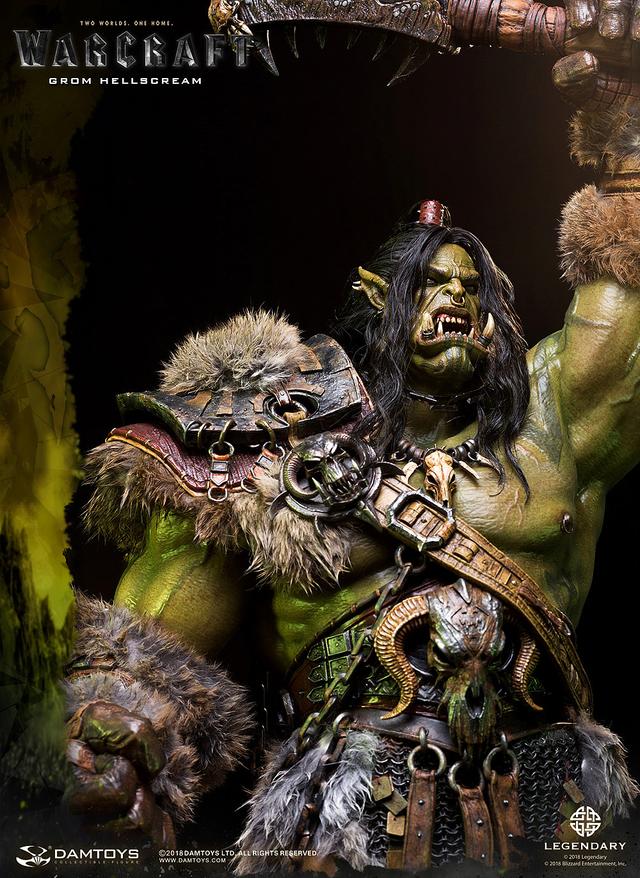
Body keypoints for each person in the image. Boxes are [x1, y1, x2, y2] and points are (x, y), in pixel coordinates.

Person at [64, 18, 640, 872]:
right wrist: (112, 734)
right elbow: (147, 651)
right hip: (347, 823)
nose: (457, 299)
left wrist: (626, 124)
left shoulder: (549, 425)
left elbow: (627, 302)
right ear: (378, 304)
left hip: (550, 817)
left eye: (474, 289)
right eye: (429, 284)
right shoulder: (267, 447)